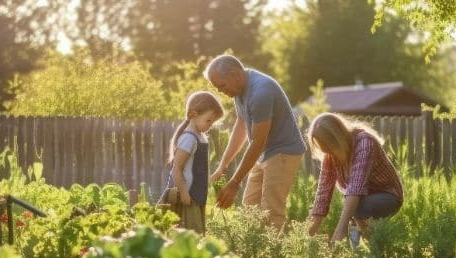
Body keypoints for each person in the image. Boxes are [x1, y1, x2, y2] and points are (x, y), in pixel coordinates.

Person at [205, 54, 307, 231]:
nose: (221, 92)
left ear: (235, 74)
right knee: (250, 207)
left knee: (271, 211)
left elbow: (258, 142)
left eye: (221, 86)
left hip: (283, 152)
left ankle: (277, 256)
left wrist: (235, 182)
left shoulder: (261, 92)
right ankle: (255, 254)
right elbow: (241, 126)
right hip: (265, 153)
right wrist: (223, 166)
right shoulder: (239, 90)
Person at [307, 112, 403, 244]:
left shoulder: (364, 143)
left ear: (337, 138)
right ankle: (359, 251)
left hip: (388, 195)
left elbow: (355, 189)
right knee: (353, 210)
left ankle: (376, 243)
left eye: (329, 147)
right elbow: (323, 194)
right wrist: (307, 235)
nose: (327, 152)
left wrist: (340, 231)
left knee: (355, 208)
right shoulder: (330, 155)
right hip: (361, 199)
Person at [160, 91, 224, 234]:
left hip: (197, 196)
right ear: (193, 115)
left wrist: (213, 179)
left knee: (197, 231)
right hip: (187, 196)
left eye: (212, 122)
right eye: (208, 121)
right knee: (189, 232)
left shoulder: (200, 137)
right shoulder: (189, 139)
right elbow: (176, 169)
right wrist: (184, 193)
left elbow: (199, 170)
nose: (210, 125)